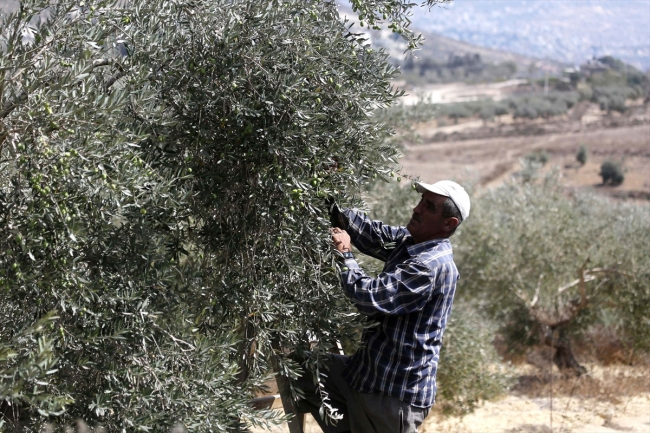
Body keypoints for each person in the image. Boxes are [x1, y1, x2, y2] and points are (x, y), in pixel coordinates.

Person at [294, 180, 470, 433]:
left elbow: (368, 298)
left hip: (390, 397)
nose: (417, 209)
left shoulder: (428, 266)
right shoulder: (409, 242)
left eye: (428, 206)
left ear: (448, 224)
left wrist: (344, 253)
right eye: (421, 200)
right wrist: (325, 191)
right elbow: (369, 232)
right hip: (364, 376)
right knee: (301, 368)